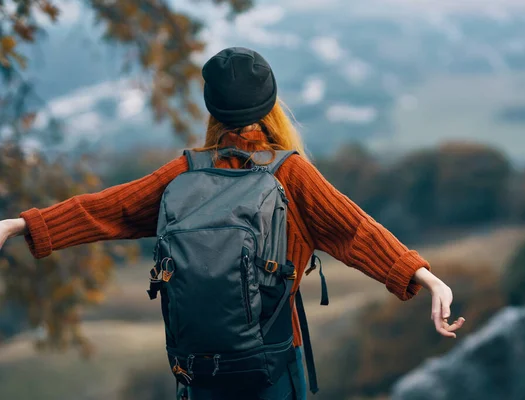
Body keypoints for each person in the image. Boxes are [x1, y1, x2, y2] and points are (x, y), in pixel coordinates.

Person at [0, 47, 464, 399]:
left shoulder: (185, 173)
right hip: (274, 362)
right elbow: (356, 230)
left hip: (200, 366)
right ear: (271, 103)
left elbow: (108, 209)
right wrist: (425, 278)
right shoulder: (289, 172)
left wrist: (22, 224)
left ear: (212, 107)